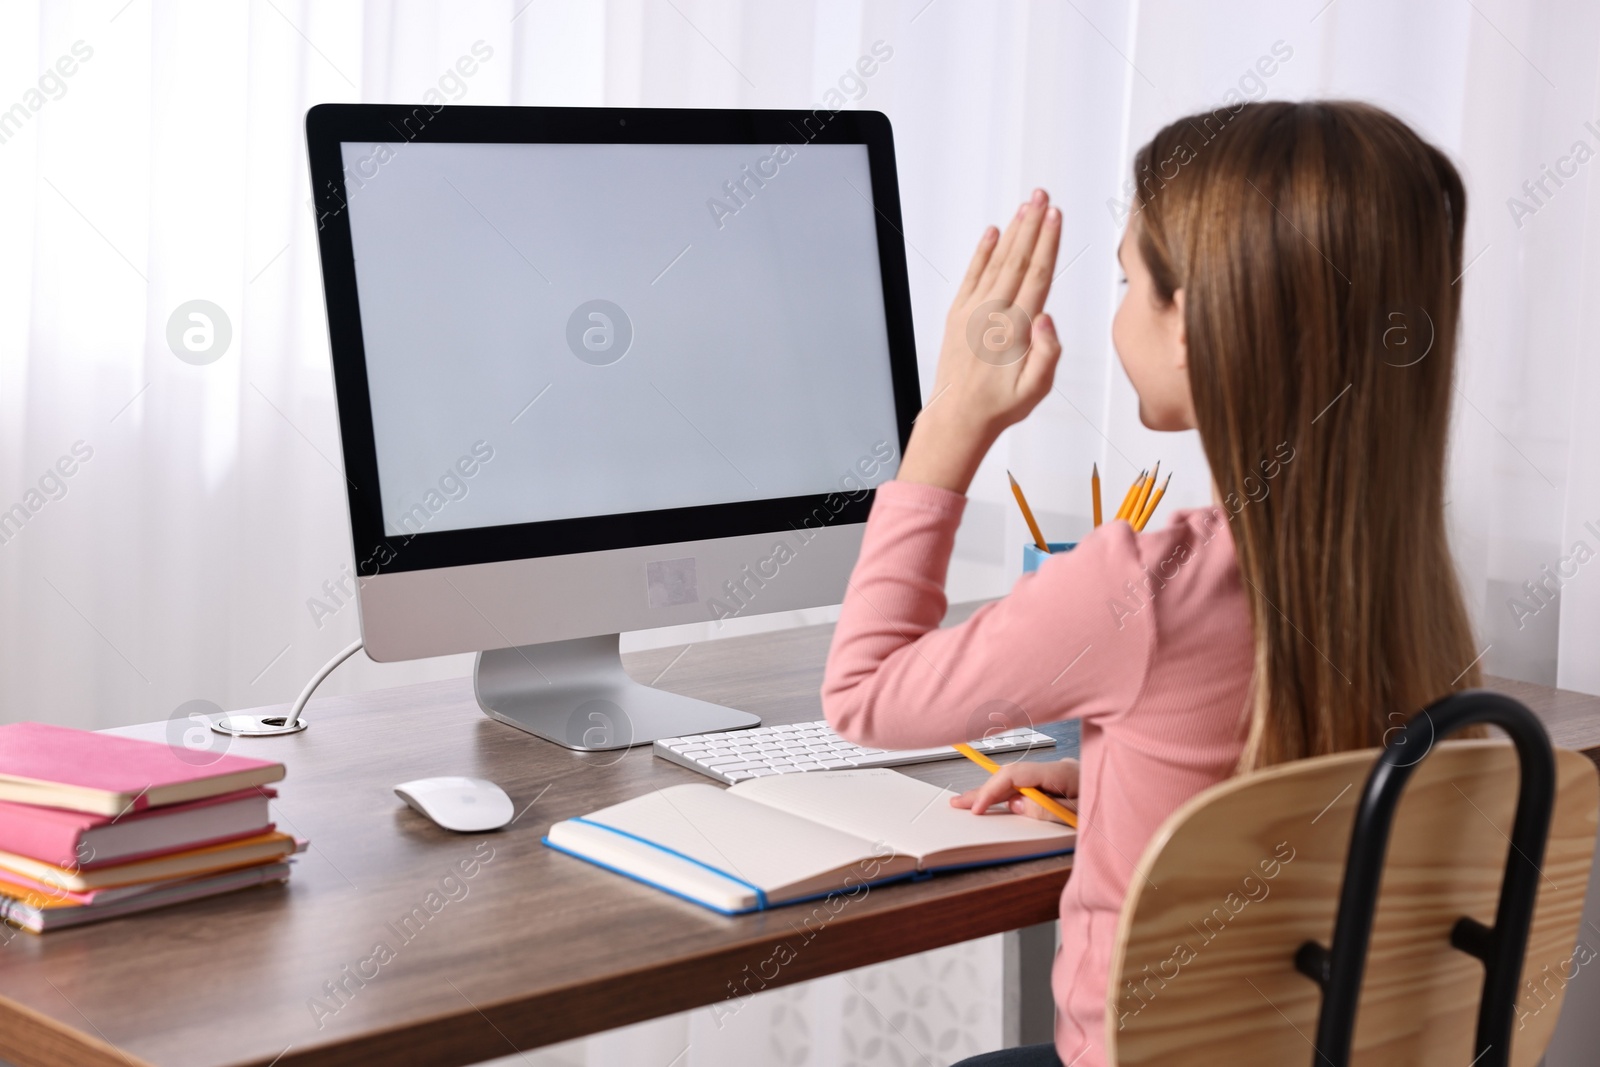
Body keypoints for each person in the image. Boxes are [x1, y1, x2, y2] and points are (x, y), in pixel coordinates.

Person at [821, 100, 1482, 1067]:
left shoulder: (1143, 586)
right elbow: (1305, 781)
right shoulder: (1409, 581)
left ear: (1191, 324)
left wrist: (951, 422)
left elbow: (862, 694)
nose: (1118, 308)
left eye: (1131, 280)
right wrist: (1141, 790)